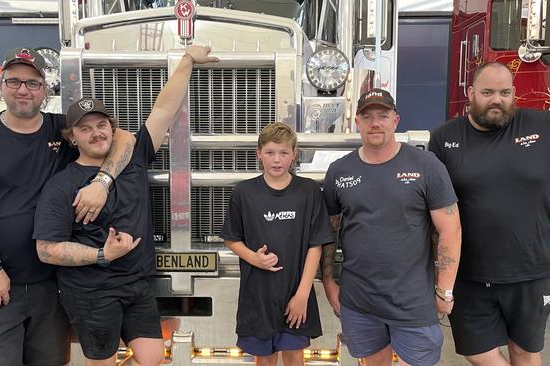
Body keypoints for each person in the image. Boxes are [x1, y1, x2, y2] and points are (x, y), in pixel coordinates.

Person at [0, 47, 136, 366]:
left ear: (45, 90)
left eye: (33, 83)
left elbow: (125, 138)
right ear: (0, 86)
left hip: (53, 286)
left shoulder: (61, 130)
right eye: (14, 81)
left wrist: (102, 181)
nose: (23, 89)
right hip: (0, 284)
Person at [32, 45, 218, 366]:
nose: (96, 133)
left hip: (137, 284)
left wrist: (187, 60)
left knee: (152, 357)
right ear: (72, 137)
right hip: (92, 291)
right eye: (85, 128)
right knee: (101, 362)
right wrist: (102, 255)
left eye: (101, 125)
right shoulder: (61, 185)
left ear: (112, 127)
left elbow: (163, 111)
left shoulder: (132, 156)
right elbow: (46, 250)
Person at [429, 62, 550, 366]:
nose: (496, 100)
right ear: (470, 93)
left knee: (524, 353)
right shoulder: (445, 138)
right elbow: (432, 201)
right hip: (469, 273)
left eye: (504, 92)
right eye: (487, 92)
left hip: (530, 269)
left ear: (514, 94)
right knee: (475, 351)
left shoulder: (543, 128)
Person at [321, 88, 462, 366]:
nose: (375, 122)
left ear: (395, 121)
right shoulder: (339, 171)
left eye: (383, 116)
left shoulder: (426, 166)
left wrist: (445, 290)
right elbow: (329, 232)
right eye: (368, 116)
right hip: (360, 301)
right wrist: (328, 281)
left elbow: (450, 230)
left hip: (412, 302)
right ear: (357, 123)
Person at [219, 122, 334, 366]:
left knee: (294, 356)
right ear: (258, 154)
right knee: (264, 358)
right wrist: (254, 258)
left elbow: (316, 245)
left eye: (284, 153)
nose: (277, 160)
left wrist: (302, 295)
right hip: (258, 297)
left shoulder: (309, 191)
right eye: (270, 152)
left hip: (296, 294)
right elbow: (231, 238)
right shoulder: (244, 192)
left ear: (294, 154)